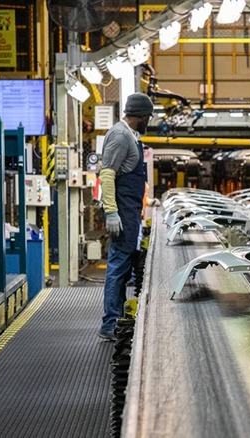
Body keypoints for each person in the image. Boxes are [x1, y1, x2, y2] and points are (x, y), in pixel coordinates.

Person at [97, 92, 153, 341]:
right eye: (147, 117)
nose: (148, 121)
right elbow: (107, 174)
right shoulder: (121, 136)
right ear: (140, 116)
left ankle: (116, 319)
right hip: (121, 212)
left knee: (122, 265)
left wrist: (147, 201)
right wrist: (111, 212)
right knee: (118, 267)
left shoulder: (131, 136)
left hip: (129, 212)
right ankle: (110, 323)